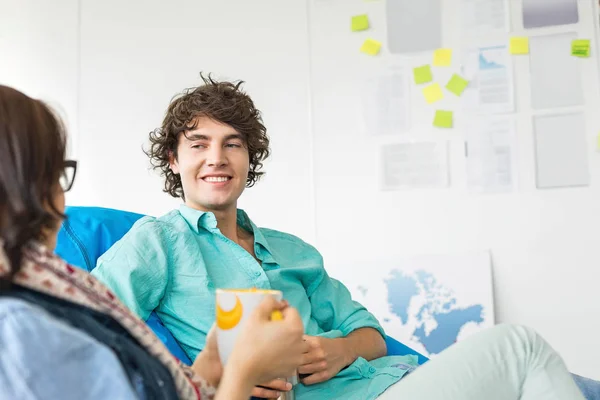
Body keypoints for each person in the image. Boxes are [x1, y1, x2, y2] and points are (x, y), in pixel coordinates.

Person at [92, 74, 597, 400]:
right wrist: (206, 379)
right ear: (174, 160)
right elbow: (85, 323)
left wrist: (342, 350)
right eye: (198, 145)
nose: (217, 158)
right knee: (520, 346)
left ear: (251, 159)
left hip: (395, 381)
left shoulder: (292, 250)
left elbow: (371, 334)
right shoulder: (158, 240)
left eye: (233, 144)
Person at [0, 84, 309, 400]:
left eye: (232, 144)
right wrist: (242, 372)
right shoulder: (21, 325)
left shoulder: (52, 291)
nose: (217, 159)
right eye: (56, 175)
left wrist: (212, 364)